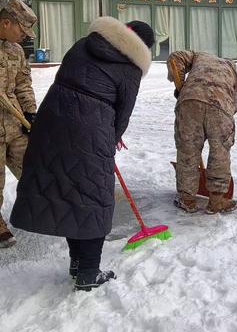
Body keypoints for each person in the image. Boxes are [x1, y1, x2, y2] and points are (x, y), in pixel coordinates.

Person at [10, 17, 154, 291]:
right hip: (92, 129)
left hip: (51, 121)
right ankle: (88, 272)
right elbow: (122, 116)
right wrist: (109, 141)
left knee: (67, 192)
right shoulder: (131, 69)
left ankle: (77, 262)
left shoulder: (84, 44)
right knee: (93, 198)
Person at [167, 51, 237, 214]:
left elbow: (175, 58)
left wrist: (181, 84)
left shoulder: (198, 56)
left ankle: (187, 200)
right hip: (221, 108)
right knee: (220, 152)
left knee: (188, 150)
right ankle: (217, 201)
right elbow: (234, 105)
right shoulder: (234, 74)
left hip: (189, 102)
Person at [0, 0, 37, 248]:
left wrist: (31, 113)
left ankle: (37, 208)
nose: (24, 36)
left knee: (34, 169)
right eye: (21, 30)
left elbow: (23, 83)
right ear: (6, 23)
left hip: (15, 124)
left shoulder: (15, 51)